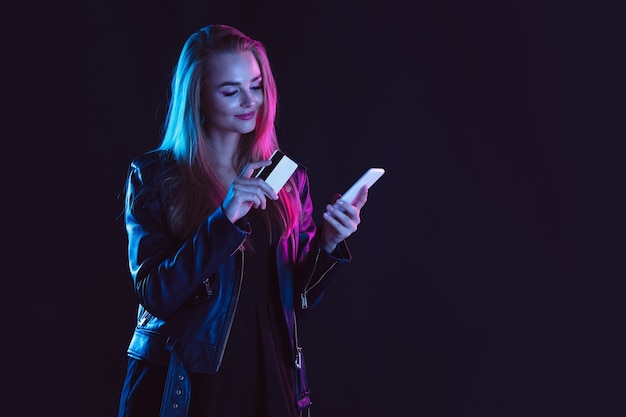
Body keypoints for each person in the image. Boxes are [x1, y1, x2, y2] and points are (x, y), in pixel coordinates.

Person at [117, 24, 369, 417]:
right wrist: (225, 217)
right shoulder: (155, 176)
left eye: (256, 85)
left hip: (268, 377)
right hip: (188, 381)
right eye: (231, 91)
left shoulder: (287, 178)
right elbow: (157, 293)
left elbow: (296, 299)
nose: (249, 101)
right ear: (197, 97)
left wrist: (329, 242)